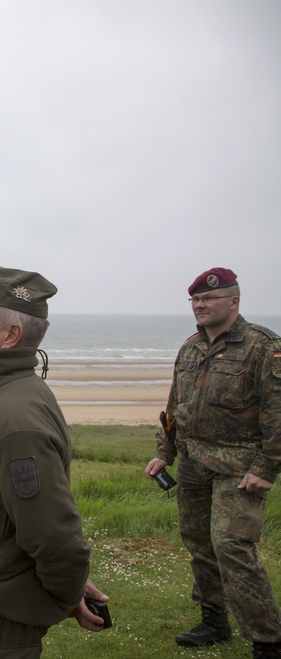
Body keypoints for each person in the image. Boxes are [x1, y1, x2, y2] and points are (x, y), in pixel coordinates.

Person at [0, 265, 109, 659]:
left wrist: (65, 593)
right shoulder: (9, 392)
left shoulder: (13, 417)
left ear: (10, 335)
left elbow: (56, 537)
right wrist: (72, 589)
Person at [146, 267, 281, 659]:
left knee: (231, 547)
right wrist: (163, 452)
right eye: (195, 300)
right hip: (192, 462)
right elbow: (175, 407)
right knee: (200, 544)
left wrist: (266, 467)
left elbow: (278, 413)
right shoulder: (190, 348)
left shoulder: (263, 346)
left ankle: (268, 639)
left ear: (233, 301)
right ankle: (214, 620)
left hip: (239, 467)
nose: (199, 305)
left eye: (208, 299)